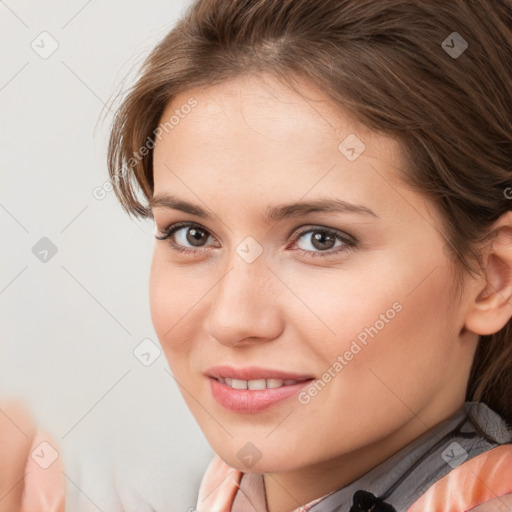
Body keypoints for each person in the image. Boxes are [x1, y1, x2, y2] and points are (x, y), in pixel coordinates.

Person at [106, 0, 512, 510]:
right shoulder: (224, 489)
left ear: (493, 278)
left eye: (321, 239)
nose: (233, 320)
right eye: (192, 234)